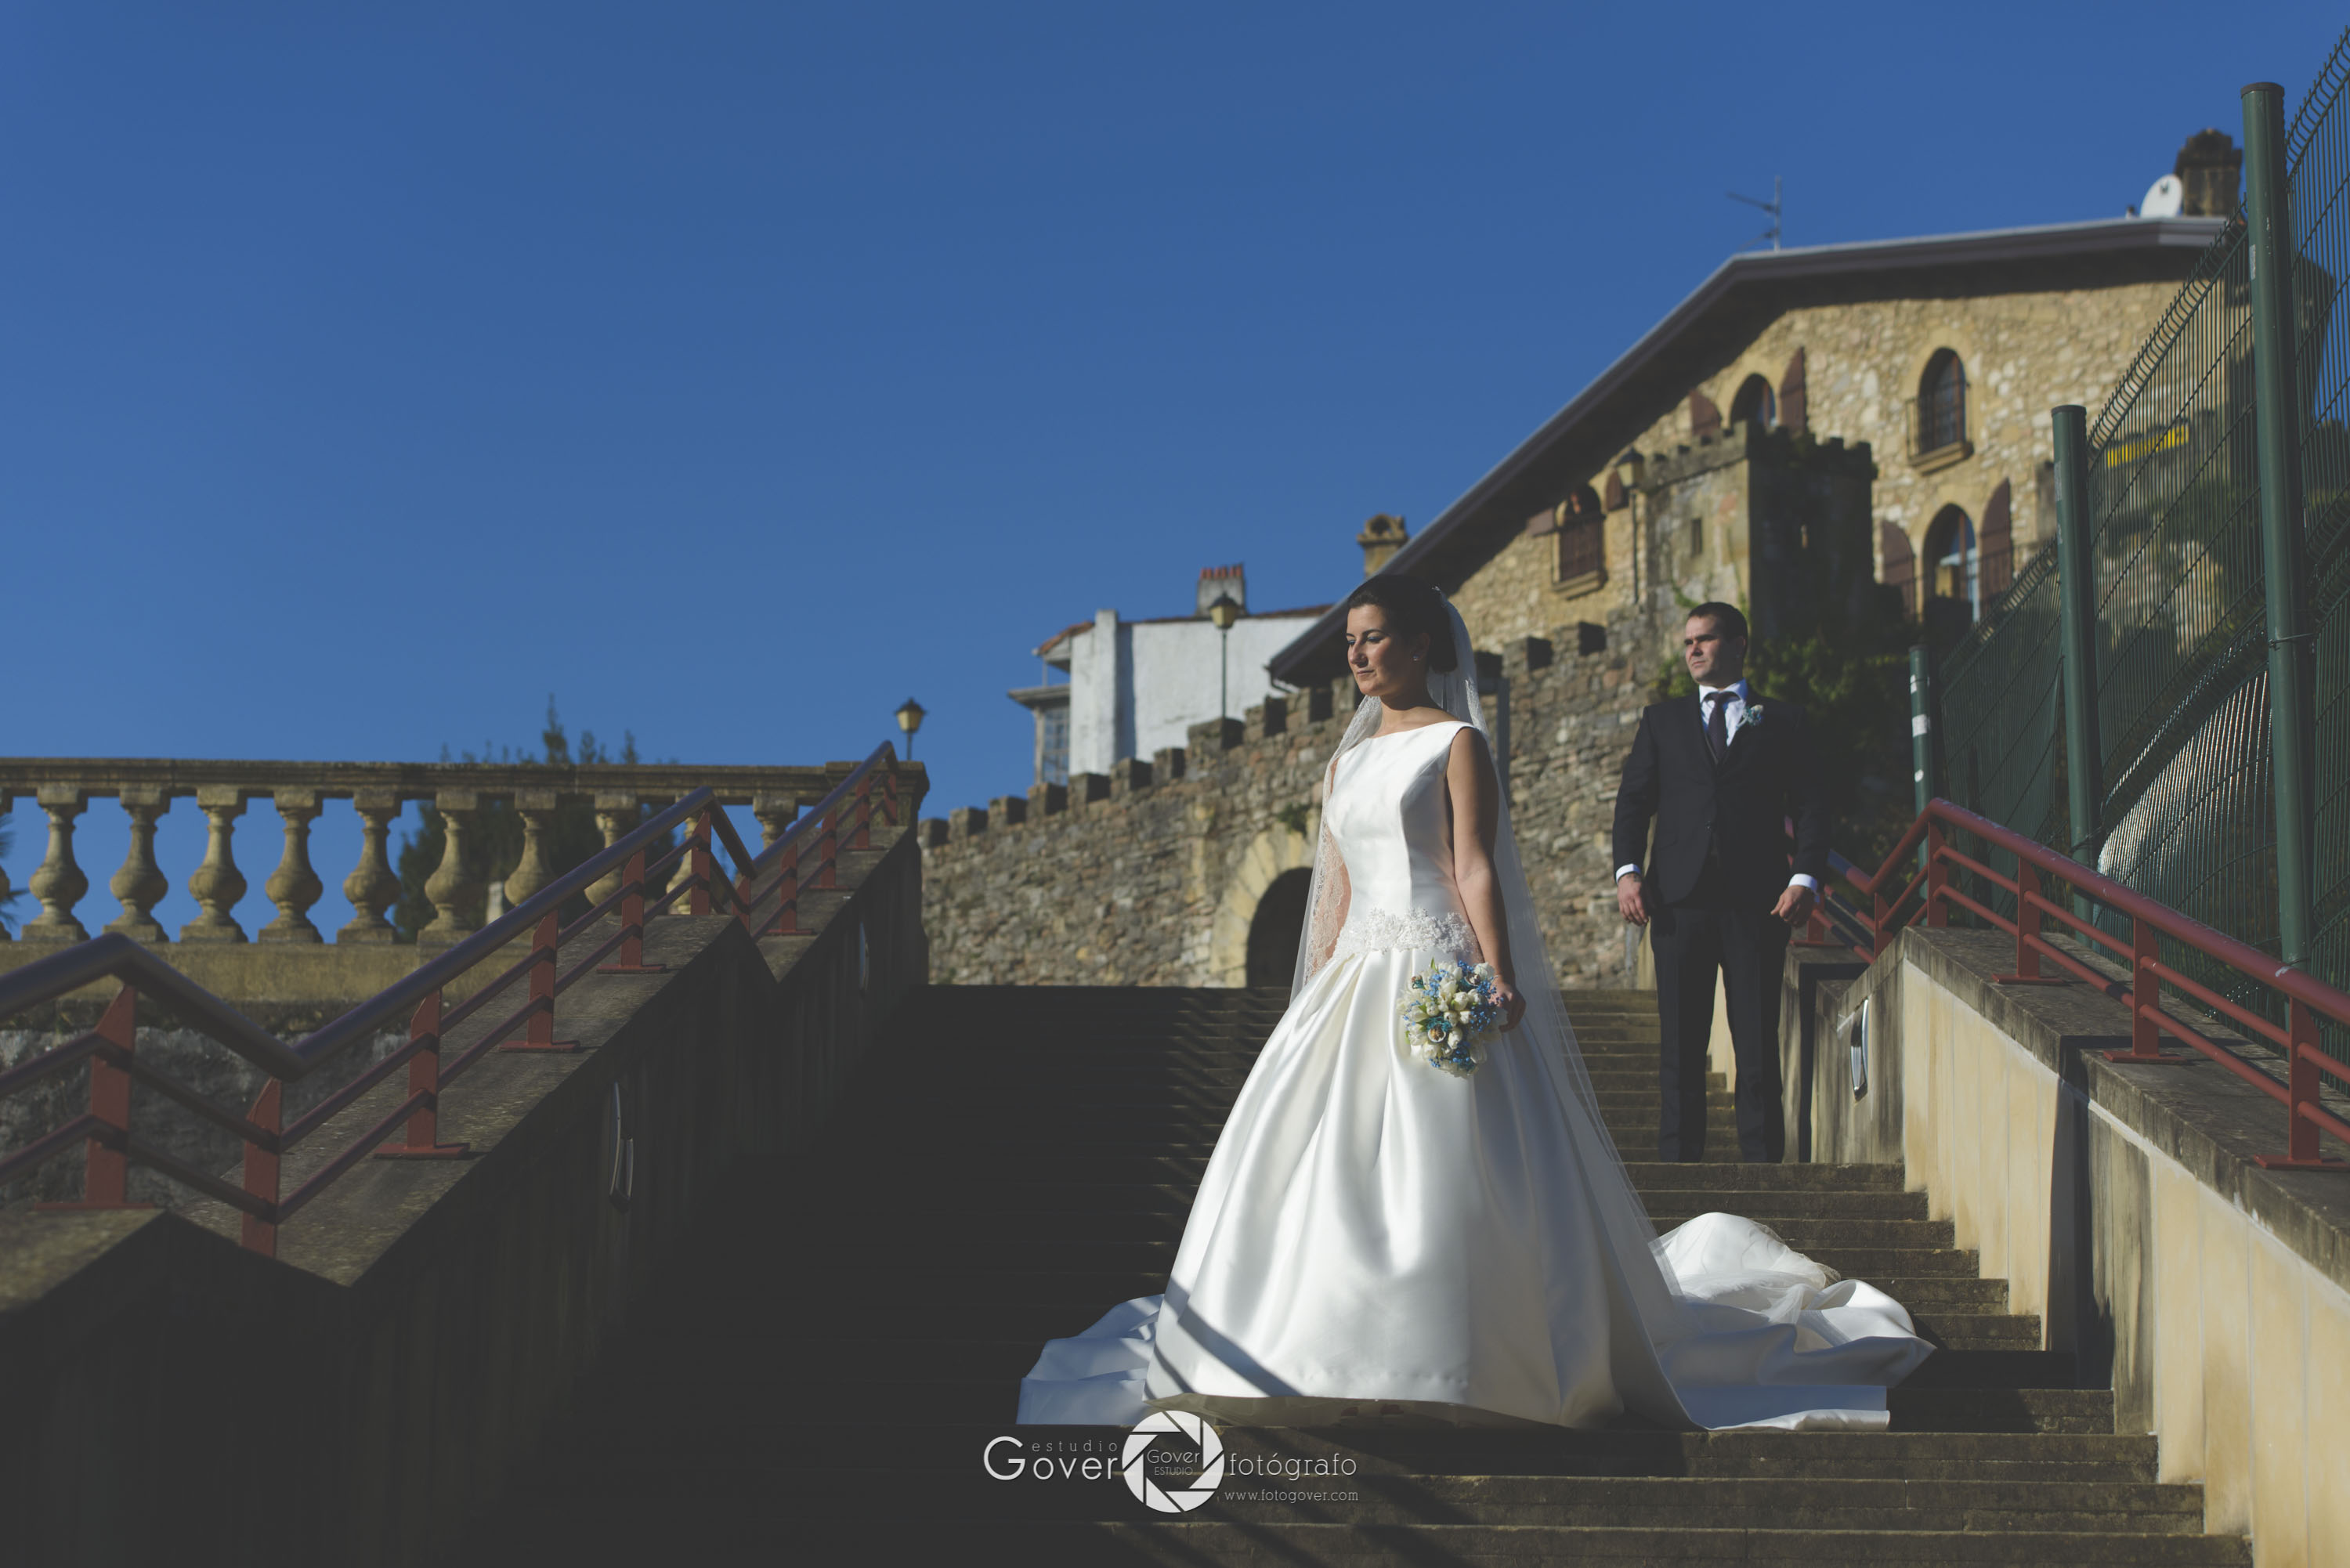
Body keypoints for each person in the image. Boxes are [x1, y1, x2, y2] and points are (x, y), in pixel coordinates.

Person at [1017, 577, 1924, 1433]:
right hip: (1355, 979)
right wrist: (1319, 983)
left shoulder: (1457, 743)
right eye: (1350, 644)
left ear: (1419, 645)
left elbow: (1473, 865)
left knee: (1455, 1155)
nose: (1358, 658)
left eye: (1373, 640)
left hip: (1437, 964)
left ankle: (1475, 1347)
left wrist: (1496, 971)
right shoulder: (1343, 767)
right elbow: (1333, 888)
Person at [1611, 603, 1827, 1164]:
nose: (1694, 651)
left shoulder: (1783, 720)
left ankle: (1763, 1165)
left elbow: (1811, 805)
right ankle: (1680, 1164)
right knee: (1680, 1044)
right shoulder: (1662, 721)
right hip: (1677, 901)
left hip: (1758, 902)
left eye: (1705, 640)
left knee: (1757, 1041)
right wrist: (1628, 871)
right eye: (1688, 642)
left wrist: (1805, 875)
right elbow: (1635, 801)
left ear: (1739, 645)